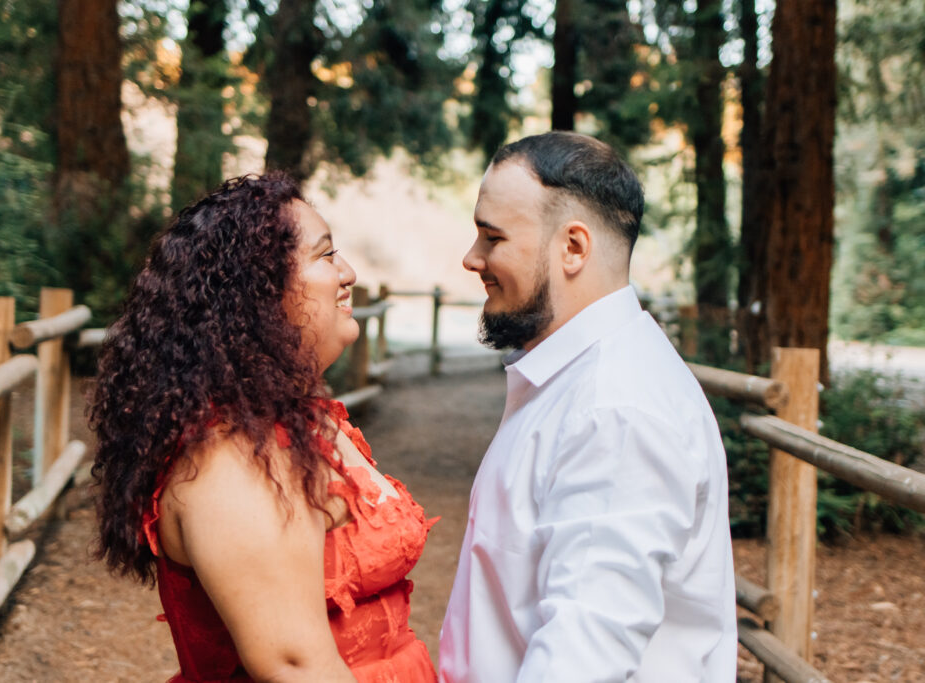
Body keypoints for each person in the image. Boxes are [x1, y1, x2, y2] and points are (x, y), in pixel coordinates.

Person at [90, 173, 438, 683]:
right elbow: (295, 667)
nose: (349, 273)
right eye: (325, 256)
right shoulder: (232, 462)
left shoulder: (293, 422)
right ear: (259, 293)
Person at [439, 132, 737, 682]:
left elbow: (584, 655)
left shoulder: (617, 410)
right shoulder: (579, 382)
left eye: (492, 237)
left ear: (573, 248)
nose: (471, 258)